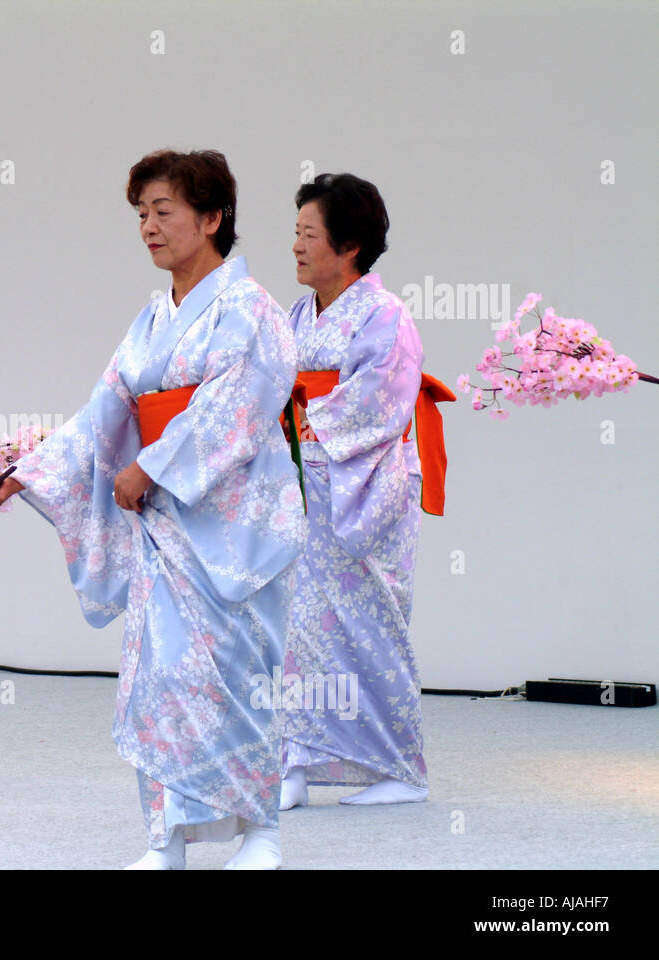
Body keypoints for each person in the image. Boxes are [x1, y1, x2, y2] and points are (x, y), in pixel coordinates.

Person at [0, 150, 305, 869]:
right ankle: (168, 837)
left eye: (163, 212)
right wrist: (21, 476)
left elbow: (236, 409)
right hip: (165, 526)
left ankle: (261, 828)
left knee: (232, 670)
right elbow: (102, 413)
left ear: (213, 219)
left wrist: (150, 465)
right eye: (141, 214)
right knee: (161, 674)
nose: (148, 226)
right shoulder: (153, 318)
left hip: (232, 525)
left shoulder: (250, 309)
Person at [279, 173, 444, 810]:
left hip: (361, 486)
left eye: (307, 234)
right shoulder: (297, 314)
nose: (295, 246)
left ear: (349, 245)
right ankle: (295, 758)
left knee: (366, 624)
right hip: (300, 481)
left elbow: (377, 404)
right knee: (297, 626)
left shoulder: (385, 316)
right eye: (295, 233)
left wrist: (300, 425)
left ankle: (401, 768)